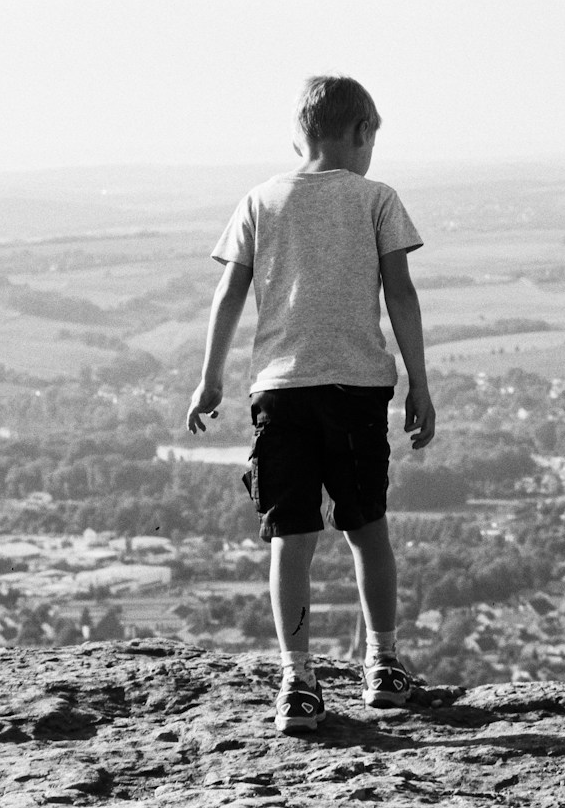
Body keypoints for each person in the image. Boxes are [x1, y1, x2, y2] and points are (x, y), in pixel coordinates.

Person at [184, 75, 435, 734]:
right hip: (356, 388)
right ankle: (382, 664)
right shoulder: (377, 199)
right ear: (361, 133)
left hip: (280, 392)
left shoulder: (260, 200)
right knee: (367, 529)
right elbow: (401, 296)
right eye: (372, 138)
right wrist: (420, 381)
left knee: (289, 540)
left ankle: (299, 678)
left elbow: (229, 296)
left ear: (300, 134)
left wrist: (210, 377)